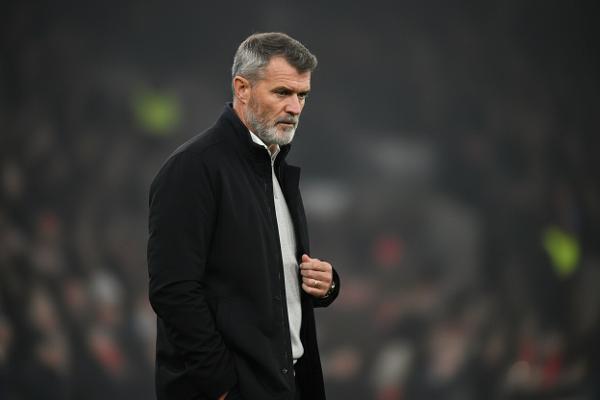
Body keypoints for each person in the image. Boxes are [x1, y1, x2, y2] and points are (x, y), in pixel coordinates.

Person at [147, 32, 341, 400]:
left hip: (288, 384)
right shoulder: (192, 168)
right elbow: (173, 290)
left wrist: (326, 285)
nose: (295, 107)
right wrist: (222, 386)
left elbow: (263, 284)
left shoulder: (276, 168)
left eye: (302, 95)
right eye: (282, 92)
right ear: (242, 88)